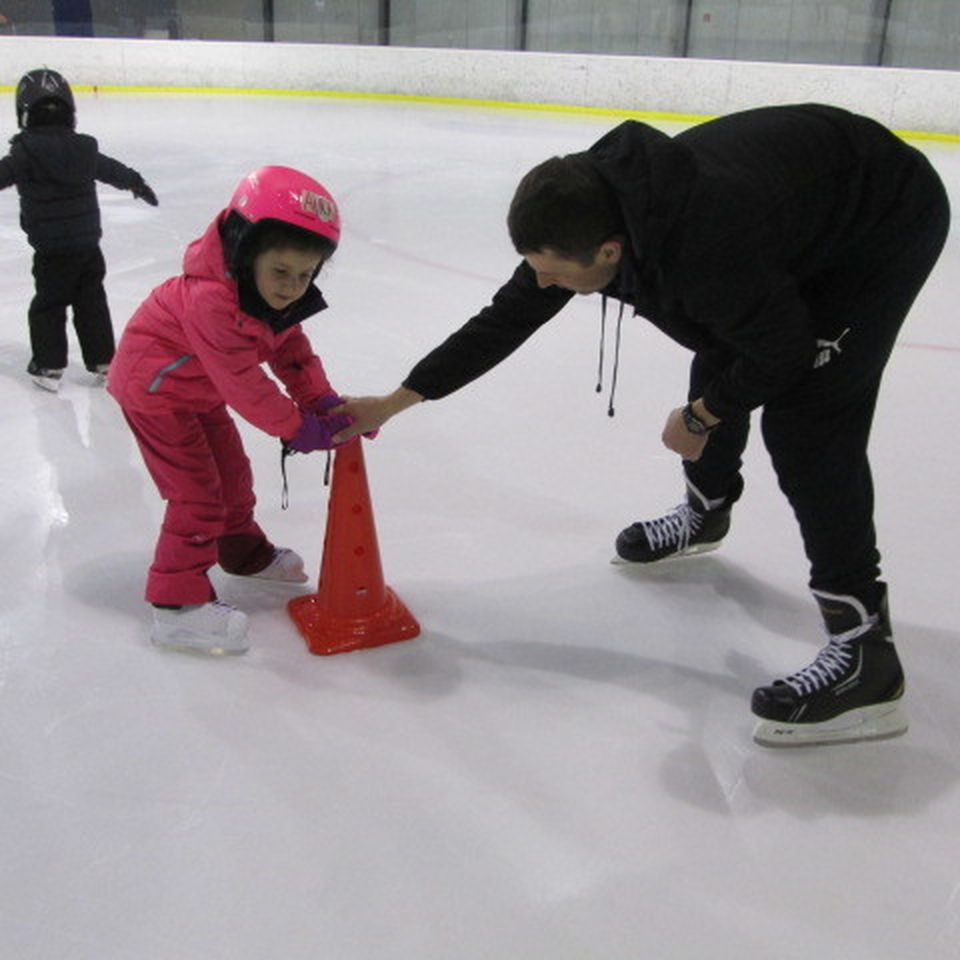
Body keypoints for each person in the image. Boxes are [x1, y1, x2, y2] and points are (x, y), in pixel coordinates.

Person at [330, 103, 950, 747]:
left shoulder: (704, 248)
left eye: (554, 272)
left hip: (883, 220)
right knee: (723, 329)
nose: (542, 282)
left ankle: (865, 654)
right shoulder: (592, 213)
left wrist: (701, 415)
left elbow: (782, 350)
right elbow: (505, 319)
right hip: (786, 213)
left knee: (808, 426)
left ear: (609, 250)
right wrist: (393, 401)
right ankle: (707, 511)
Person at [107, 166, 354, 656]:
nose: (291, 288)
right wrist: (298, 428)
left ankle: (241, 553)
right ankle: (175, 606)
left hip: (196, 392)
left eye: (305, 276)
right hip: (154, 391)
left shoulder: (268, 298)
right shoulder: (211, 301)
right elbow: (243, 383)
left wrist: (322, 401)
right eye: (280, 272)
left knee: (234, 478)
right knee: (197, 494)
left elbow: (291, 351)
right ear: (245, 253)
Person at [0, 67, 158, 392]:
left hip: (51, 251)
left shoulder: (24, 153)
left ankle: (48, 364)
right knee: (91, 301)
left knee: (49, 305)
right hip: (87, 246)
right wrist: (137, 183)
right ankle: (104, 361)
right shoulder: (84, 149)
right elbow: (111, 169)